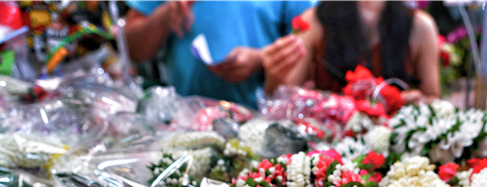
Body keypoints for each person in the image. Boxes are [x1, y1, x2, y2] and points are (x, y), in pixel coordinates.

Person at [124, 1, 312, 109]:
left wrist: (262, 60)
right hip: (181, 120)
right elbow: (130, 48)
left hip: (259, 122)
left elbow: (309, 51)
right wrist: (163, 17)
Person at [262, 0, 440, 104]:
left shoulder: (420, 26)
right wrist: (274, 75)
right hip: (325, 152)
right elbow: (280, 97)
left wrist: (408, 101)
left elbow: (433, 102)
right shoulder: (315, 20)